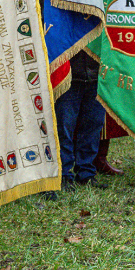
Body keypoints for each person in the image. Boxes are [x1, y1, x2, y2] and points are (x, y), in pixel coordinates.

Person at [55, 51, 107, 190]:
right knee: (64, 127)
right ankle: (63, 174)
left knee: (93, 126)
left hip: (98, 75)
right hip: (67, 76)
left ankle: (86, 173)